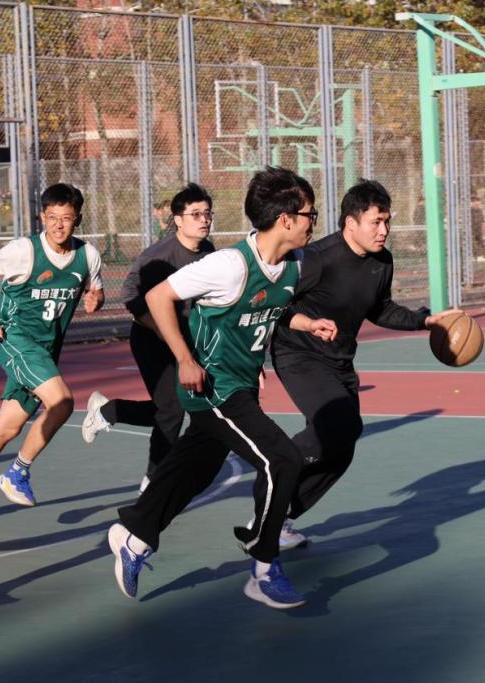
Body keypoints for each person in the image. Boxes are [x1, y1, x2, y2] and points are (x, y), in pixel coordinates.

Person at [107, 167, 336, 610]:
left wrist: (306, 323)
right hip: (212, 387)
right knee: (282, 459)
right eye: (310, 213)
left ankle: (134, 534)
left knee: (194, 469)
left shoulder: (291, 265)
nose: (314, 221)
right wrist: (184, 359)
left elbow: (271, 307)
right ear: (285, 219)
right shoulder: (228, 265)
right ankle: (263, 565)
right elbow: (156, 297)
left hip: (240, 386)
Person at [268, 179, 460, 549]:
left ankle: (280, 516)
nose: (384, 230)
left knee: (343, 446)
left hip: (339, 360)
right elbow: (274, 303)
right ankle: (275, 462)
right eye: (376, 222)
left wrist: (425, 320)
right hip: (299, 355)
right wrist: (254, 354)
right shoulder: (316, 259)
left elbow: (380, 309)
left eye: (387, 221)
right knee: (337, 426)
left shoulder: (381, 261)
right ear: (350, 223)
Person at [0, 183, 104, 526]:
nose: (58, 225)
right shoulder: (24, 251)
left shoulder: (88, 255)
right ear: (42, 217)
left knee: (7, 428)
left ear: (78, 219)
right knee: (63, 401)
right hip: (15, 338)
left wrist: (95, 299)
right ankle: (17, 472)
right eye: (52, 217)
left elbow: (95, 291)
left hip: (46, 350)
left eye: (66, 218)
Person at [81, 184, 216, 492]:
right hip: (151, 339)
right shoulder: (158, 256)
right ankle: (155, 481)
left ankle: (109, 411)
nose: (204, 219)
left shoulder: (209, 253)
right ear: (178, 220)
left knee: (176, 408)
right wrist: (158, 327)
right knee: (171, 409)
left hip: (187, 340)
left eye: (207, 213)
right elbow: (129, 294)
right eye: (196, 214)